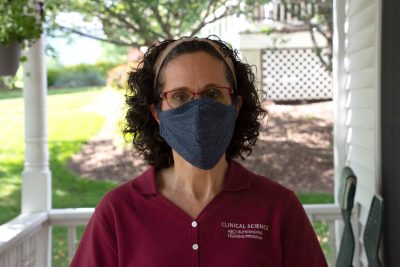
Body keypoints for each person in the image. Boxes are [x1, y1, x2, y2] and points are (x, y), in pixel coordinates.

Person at [71, 36, 328, 267]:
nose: (198, 110)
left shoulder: (279, 207)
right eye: (180, 96)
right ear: (156, 112)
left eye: (213, 93)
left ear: (236, 107)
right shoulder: (117, 212)